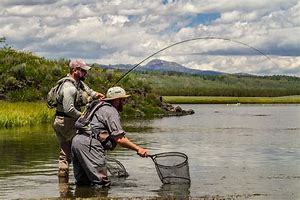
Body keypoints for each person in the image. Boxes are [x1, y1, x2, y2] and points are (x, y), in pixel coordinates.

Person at [71, 86, 148, 186]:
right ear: (117, 100)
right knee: (102, 183)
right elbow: (120, 139)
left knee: (83, 183)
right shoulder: (110, 111)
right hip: (90, 144)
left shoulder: (97, 105)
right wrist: (138, 149)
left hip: (76, 141)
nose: (124, 102)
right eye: (123, 99)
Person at [52, 60, 105, 178]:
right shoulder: (69, 88)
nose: (85, 73)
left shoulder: (78, 83)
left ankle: (64, 187)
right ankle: (85, 178)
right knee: (80, 148)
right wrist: (84, 117)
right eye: (83, 70)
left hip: (62, 121)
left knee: (65, 153)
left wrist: (96, 95)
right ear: (74, 70)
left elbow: (88, 91)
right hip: (65, 122)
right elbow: (69, 110)